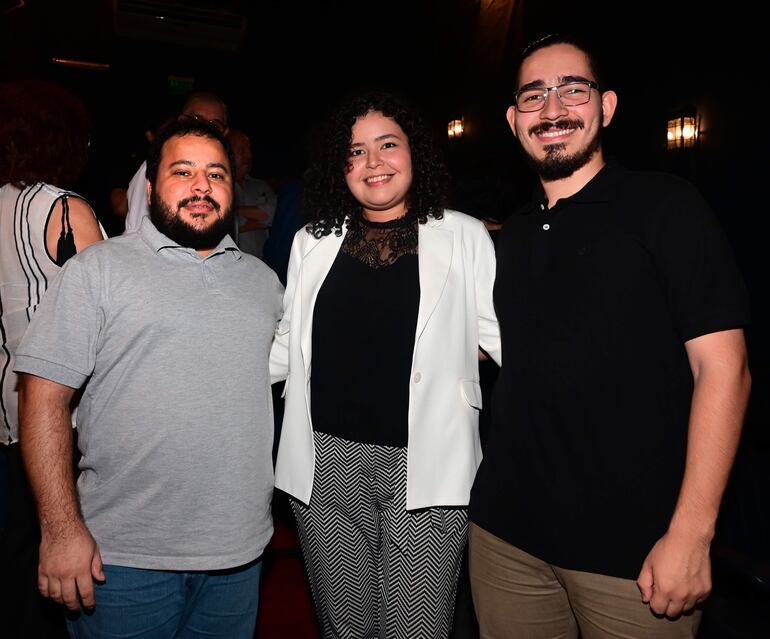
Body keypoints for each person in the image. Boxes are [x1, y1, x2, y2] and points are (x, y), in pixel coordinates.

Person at [468, 34, 752, 638]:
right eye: (534, 96)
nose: (553, 109)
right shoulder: (508, 239)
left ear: (608, 107)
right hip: (504, 540)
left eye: (573, 89)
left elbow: (724, 370)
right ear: (514, 119)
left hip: (635, 555)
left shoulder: (665, 206)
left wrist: (692, 534)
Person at [15, 118, 283, 639]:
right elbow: (42, 399)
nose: (202, 186)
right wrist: (60, 530)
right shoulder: (98, 270)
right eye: (182, 172)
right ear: (152, 185)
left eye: (216, 174)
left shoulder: (265, 283)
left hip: (239, 555)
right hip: (121, 560)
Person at [270, 91, 501, 639]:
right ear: (340, 166)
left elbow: (502, 338)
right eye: (356, 151)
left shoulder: (465, 235)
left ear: (414, 154)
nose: (373, 162)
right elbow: (286, 344)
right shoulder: (311, 242)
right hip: (325, 467)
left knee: (415, 630)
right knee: (345, 629)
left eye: (388, 145)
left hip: (427, 468)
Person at [0, 79, 105, 639]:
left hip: (3, 413)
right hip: (51, 416)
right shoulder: (61, 207)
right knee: (55, 556)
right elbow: (108, 310)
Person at [122, 90, 230, 233]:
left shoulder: (226, 174)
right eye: (198, 120)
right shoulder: (160, 166)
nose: (205, 129)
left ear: (225, 132)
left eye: (214, 124)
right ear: (181, 121)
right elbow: (137, 232)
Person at [226, 128, 277, 257]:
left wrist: (232, 212)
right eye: (242, 151)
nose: (248, 156)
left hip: (262, 264)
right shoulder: (222, 188)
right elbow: (224, 226)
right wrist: (260, 216)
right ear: (227, 153)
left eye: (249, 151)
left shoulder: (261, 186)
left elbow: (274, 215)